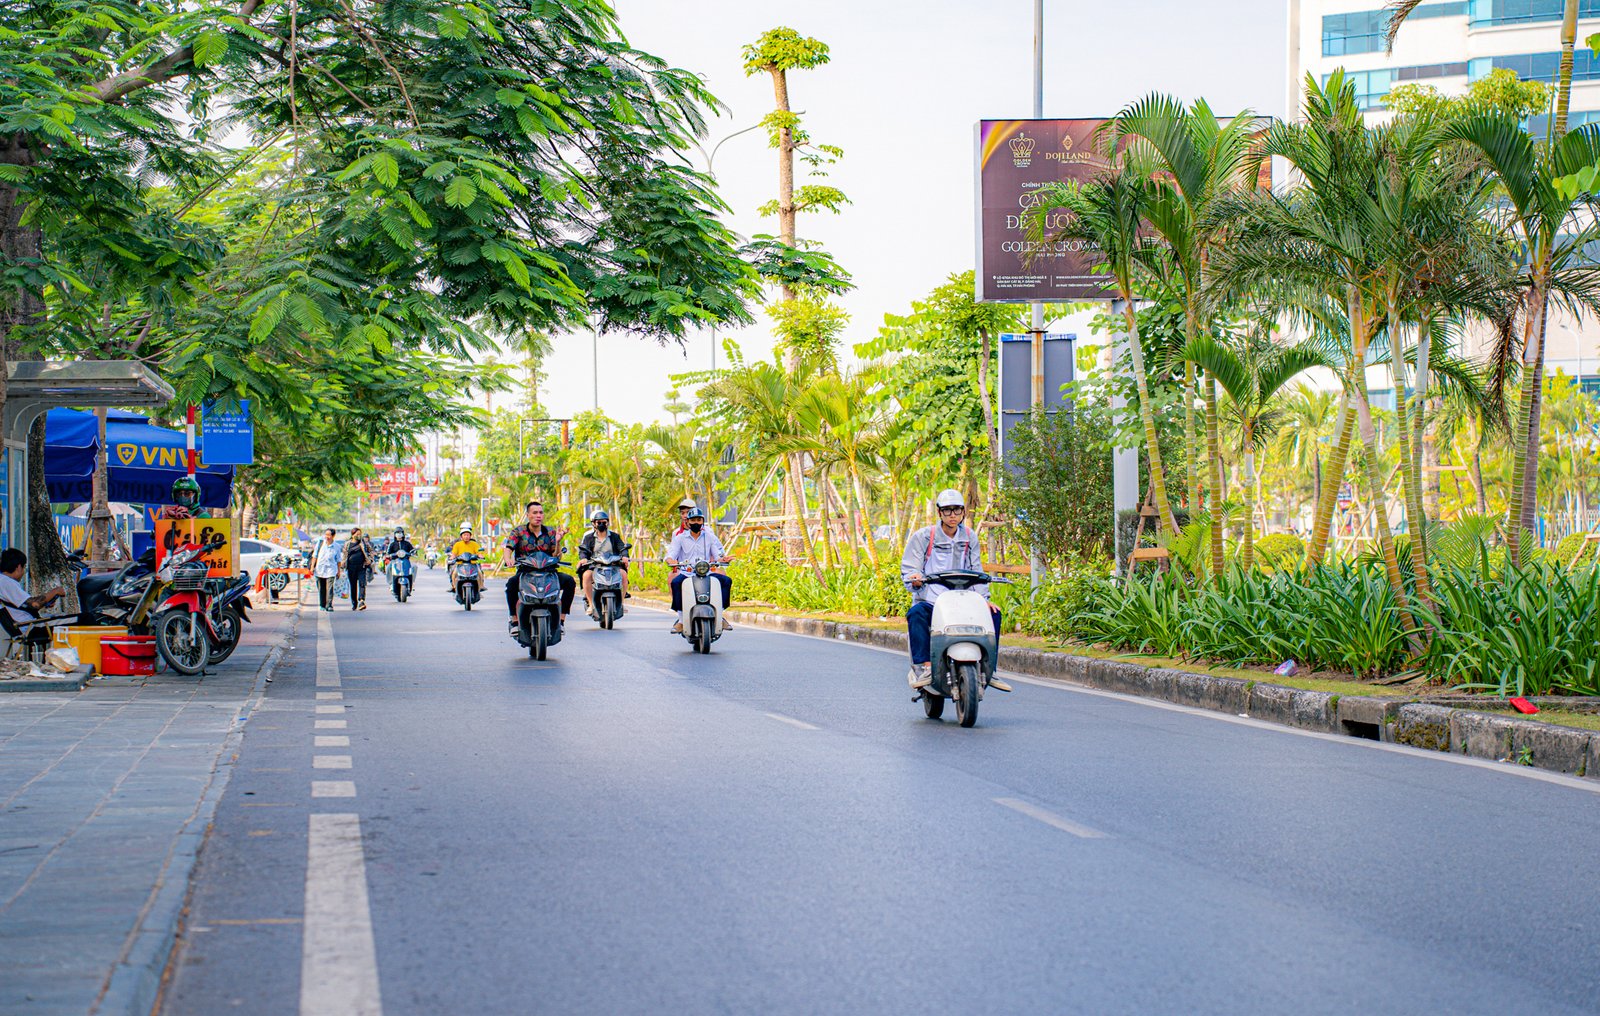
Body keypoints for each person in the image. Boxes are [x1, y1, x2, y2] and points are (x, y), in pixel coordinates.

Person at [900, 488, 1008, 692]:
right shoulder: (924, 536)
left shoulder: (969, 537)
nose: (952, 515)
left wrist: (984, 599)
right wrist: (914, 579)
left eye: (957, 510)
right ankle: (924, 667)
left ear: (963, 512)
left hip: (962, 600)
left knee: (994, 613)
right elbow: (910, 567)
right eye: (947, 511)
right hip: (932, 600)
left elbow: (976, 569)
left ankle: (989, 670)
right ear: (939, 513)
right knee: (916, 614)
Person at [502, 500, 575, 635]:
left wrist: (558, 541)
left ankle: (561, 620)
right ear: (528, 515)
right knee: (511, 584)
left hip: (548, 572)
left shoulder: (551, 532)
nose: (538, 516)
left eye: (540, 513)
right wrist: (508, 559)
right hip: (526, 572)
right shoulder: (519, 531)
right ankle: (514, 620)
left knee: (570, 581)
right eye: (535, 513)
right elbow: (509, 548)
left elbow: (556, 555)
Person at [664, 506, 732, 634]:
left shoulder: (709, 537)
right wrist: (670, 560)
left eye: (699, 520)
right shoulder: (680, 538)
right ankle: (681, 620)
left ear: (702, 521)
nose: (696, 523)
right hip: (687, 573)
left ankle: (720, 615)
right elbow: (671, 554)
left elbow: (717, 555)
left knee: (726, 581)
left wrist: (723, 559)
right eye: (693, 520)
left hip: (706, 572)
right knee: (676, 583)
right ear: (688, 522)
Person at [577, 510, 629, 618]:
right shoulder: (588, 538)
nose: (601, 524)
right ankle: (591, 604)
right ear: (594, 524)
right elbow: (583, 550)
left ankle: (622, 603)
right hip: (595, 565)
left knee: (623, 575)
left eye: (604, 522)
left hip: (613, 565)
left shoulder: (615, 536)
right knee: (586, 575)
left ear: (607, 523)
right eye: (598, 522)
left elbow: (622, 548)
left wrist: (624, 556)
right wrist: (583, 559)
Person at [343, 527, 375, 610]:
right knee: (353, 586)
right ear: (352, 535)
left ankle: (361, 600)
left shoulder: (364, 543)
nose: (359, 535)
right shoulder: (348, 544)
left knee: (362, 584)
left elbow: (371, 551)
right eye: (357, 534)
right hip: (351, 567)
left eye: (360, 534)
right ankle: (354, 603)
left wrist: (370, 560)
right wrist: (342, 566)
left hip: (362, 567)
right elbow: (344, 555)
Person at [310, 529, 340, 611]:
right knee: (321, 588)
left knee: (329, 588)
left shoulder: (337, 546)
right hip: (320, 569)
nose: (327, 537)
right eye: (326, 534)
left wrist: (339, 571)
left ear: (333, 536)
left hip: (331, 570)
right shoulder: (320, 544)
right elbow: (315, 556)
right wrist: (312, 567)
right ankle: (322, 605)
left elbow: (338, 560)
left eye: (329, 535)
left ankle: (329, 605)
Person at [448, 526, 481, 591]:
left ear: (470, 536)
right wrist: (452, 557)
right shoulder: (457, 544)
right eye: (464, 535)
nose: (466, 536)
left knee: (480, 573)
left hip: (472, 564)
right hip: (460, 564)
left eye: (468, 535)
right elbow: (454, 553)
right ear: (461, 536)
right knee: (454, 573)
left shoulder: (474, 544)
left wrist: (480, 555)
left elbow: (478, 552)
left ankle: (481, 587)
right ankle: (454, 587)